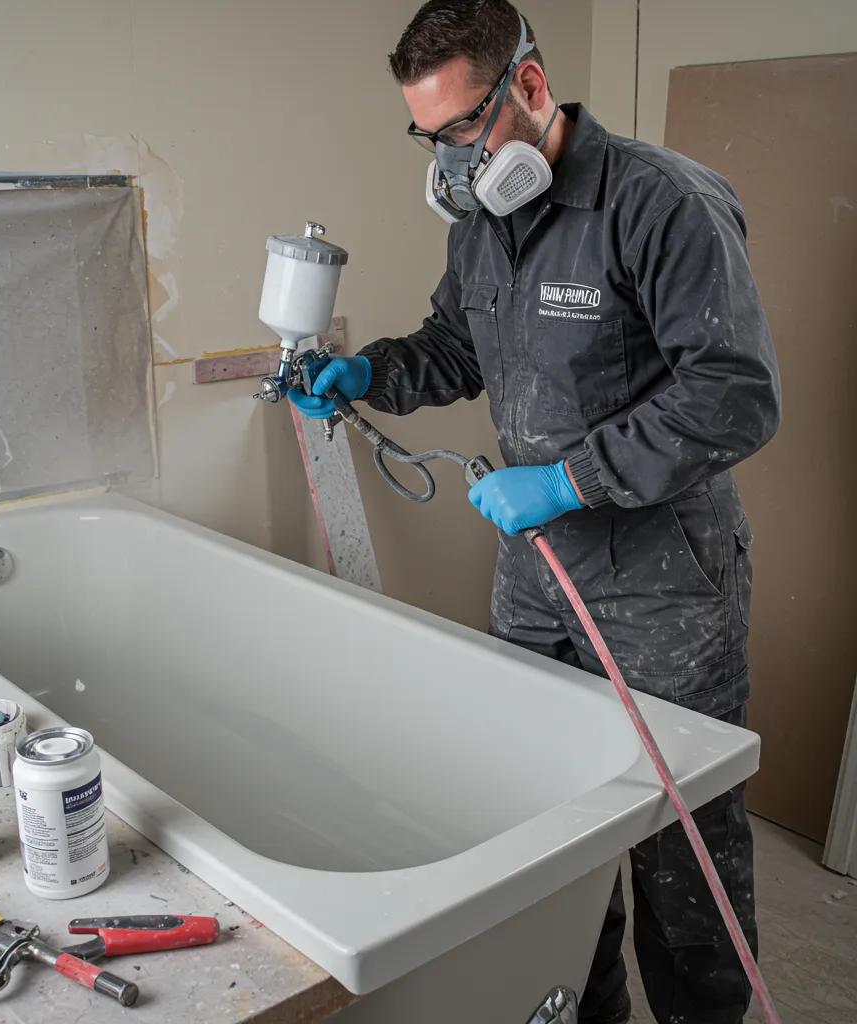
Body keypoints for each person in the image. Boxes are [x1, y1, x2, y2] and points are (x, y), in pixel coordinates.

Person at [289, 2, 781, 1022]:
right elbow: (456, 345)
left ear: (528, 84)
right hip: (536, 577)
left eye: (464, 126)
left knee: (677, 845)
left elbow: (733, 395)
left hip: (661, 583)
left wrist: (567, 480)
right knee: (544, 826)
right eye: (429, 135)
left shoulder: (659, 202)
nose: (452, 159)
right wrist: (372, 371)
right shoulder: (486, 222)